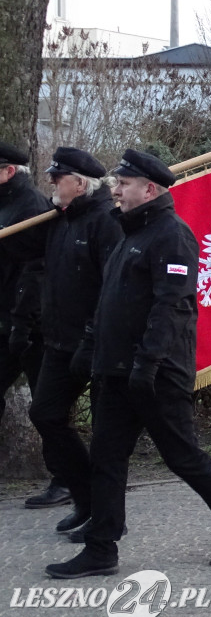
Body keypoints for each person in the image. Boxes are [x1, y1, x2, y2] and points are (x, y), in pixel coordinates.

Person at [46, 150, 211, 579]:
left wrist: (148, 363)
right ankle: (101, 548)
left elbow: (172, 306)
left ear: (150, 189)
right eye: (116, 183)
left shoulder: (172, 235)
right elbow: (109, 300)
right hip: (115, 369)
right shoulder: (127, 231)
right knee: (107, 459)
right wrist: (91, 344)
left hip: (156, 373)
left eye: (123, 184)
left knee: (183, 457)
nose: (115, 190)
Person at [29, 148, 122, 537]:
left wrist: (90, 338)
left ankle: (103, 517)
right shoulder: (60, 219)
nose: (51, 182)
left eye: (57, 177)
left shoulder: (106, 222)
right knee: (45, 414)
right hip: (58, 341)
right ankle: (83, 498)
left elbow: (112, 290)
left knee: (106, 439)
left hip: (98, 345)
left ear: (80, 183)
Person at [0, 141, 68, 509]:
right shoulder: (5, 202)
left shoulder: (31, 209)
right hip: (4, 320)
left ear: (9, 171)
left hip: (32, 325)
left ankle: (66, 477)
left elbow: (37, 270)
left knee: (47, 404)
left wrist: (23, 323)